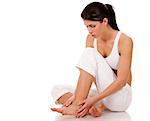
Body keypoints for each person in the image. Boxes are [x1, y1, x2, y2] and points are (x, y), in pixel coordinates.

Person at [50, 1, 133, 118]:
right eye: (87, 26)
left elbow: (122, 81)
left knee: (89, 52)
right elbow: (88, 73)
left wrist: (93, 99)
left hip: (120, 98)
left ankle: (78, 105)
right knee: (57, 89)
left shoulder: (124, 41)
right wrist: (78, 95)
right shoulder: (90, 39)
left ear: (105, 21)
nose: (89, 30)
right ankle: (87, 106)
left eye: (92, 26)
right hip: (103, 94)